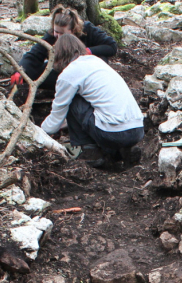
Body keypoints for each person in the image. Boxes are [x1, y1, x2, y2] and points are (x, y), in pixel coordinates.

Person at [39, 35, 143, 169]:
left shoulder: (69, 74)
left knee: (73, 100)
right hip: (137, 129)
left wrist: (39, 132)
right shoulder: (96, 61)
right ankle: (120, 152)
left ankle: (89, 151)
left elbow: (55, 120)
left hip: (113, 134)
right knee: (100, 110)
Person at [13, 6, 118, 92]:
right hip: (63, 72)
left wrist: (88, 52)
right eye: (56, 32)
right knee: (34, 72)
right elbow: (34, 54)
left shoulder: (88, 30)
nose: (57, 36)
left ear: (72, 30)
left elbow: (111, 46)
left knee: (102, 58)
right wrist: (21, 71)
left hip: (87, 73)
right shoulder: (51, 36)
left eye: (61, 33)